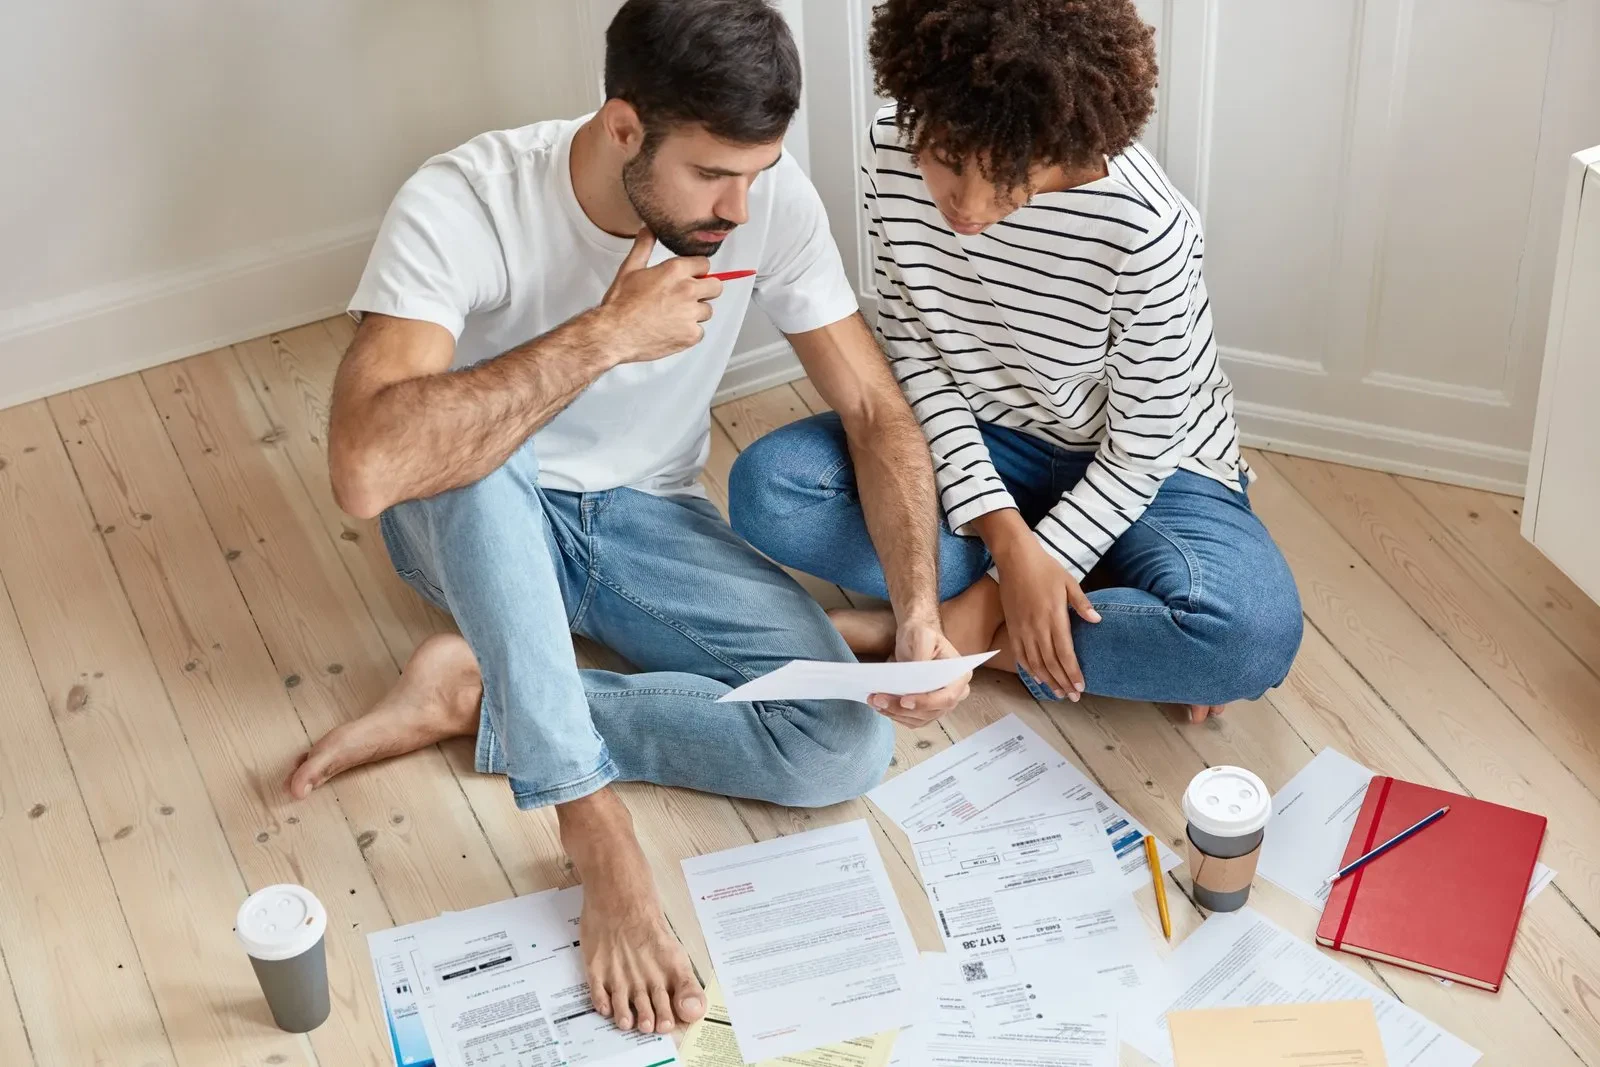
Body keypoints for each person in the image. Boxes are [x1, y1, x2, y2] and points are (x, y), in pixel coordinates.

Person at [284, 0, 971, 1037]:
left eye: (757, 170)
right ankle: (590, 821)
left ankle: (480, 694)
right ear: (621, 128)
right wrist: (603, 337)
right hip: (471, 511)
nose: (739, 205)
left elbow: (874, 409)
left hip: (645, 517)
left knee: (841, 748)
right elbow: (367, 467)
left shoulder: (762, 200)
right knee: (471, 448)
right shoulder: (466, 198)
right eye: (710, 174)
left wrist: (917, 607)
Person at [730, 0, 1303, 724]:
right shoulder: (890, 154)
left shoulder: (1148, 229)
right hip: (988, 442)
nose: (964, 204)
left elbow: (1145, 446)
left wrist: (991, 594)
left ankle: (940, 633)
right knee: (769, 491)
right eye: (944, 157)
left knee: (1247, 639)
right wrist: (1005, 533)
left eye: (1004, 174)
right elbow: (916, 358)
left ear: (1059, 139)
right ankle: (1077, 603)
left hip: (1154, 470)